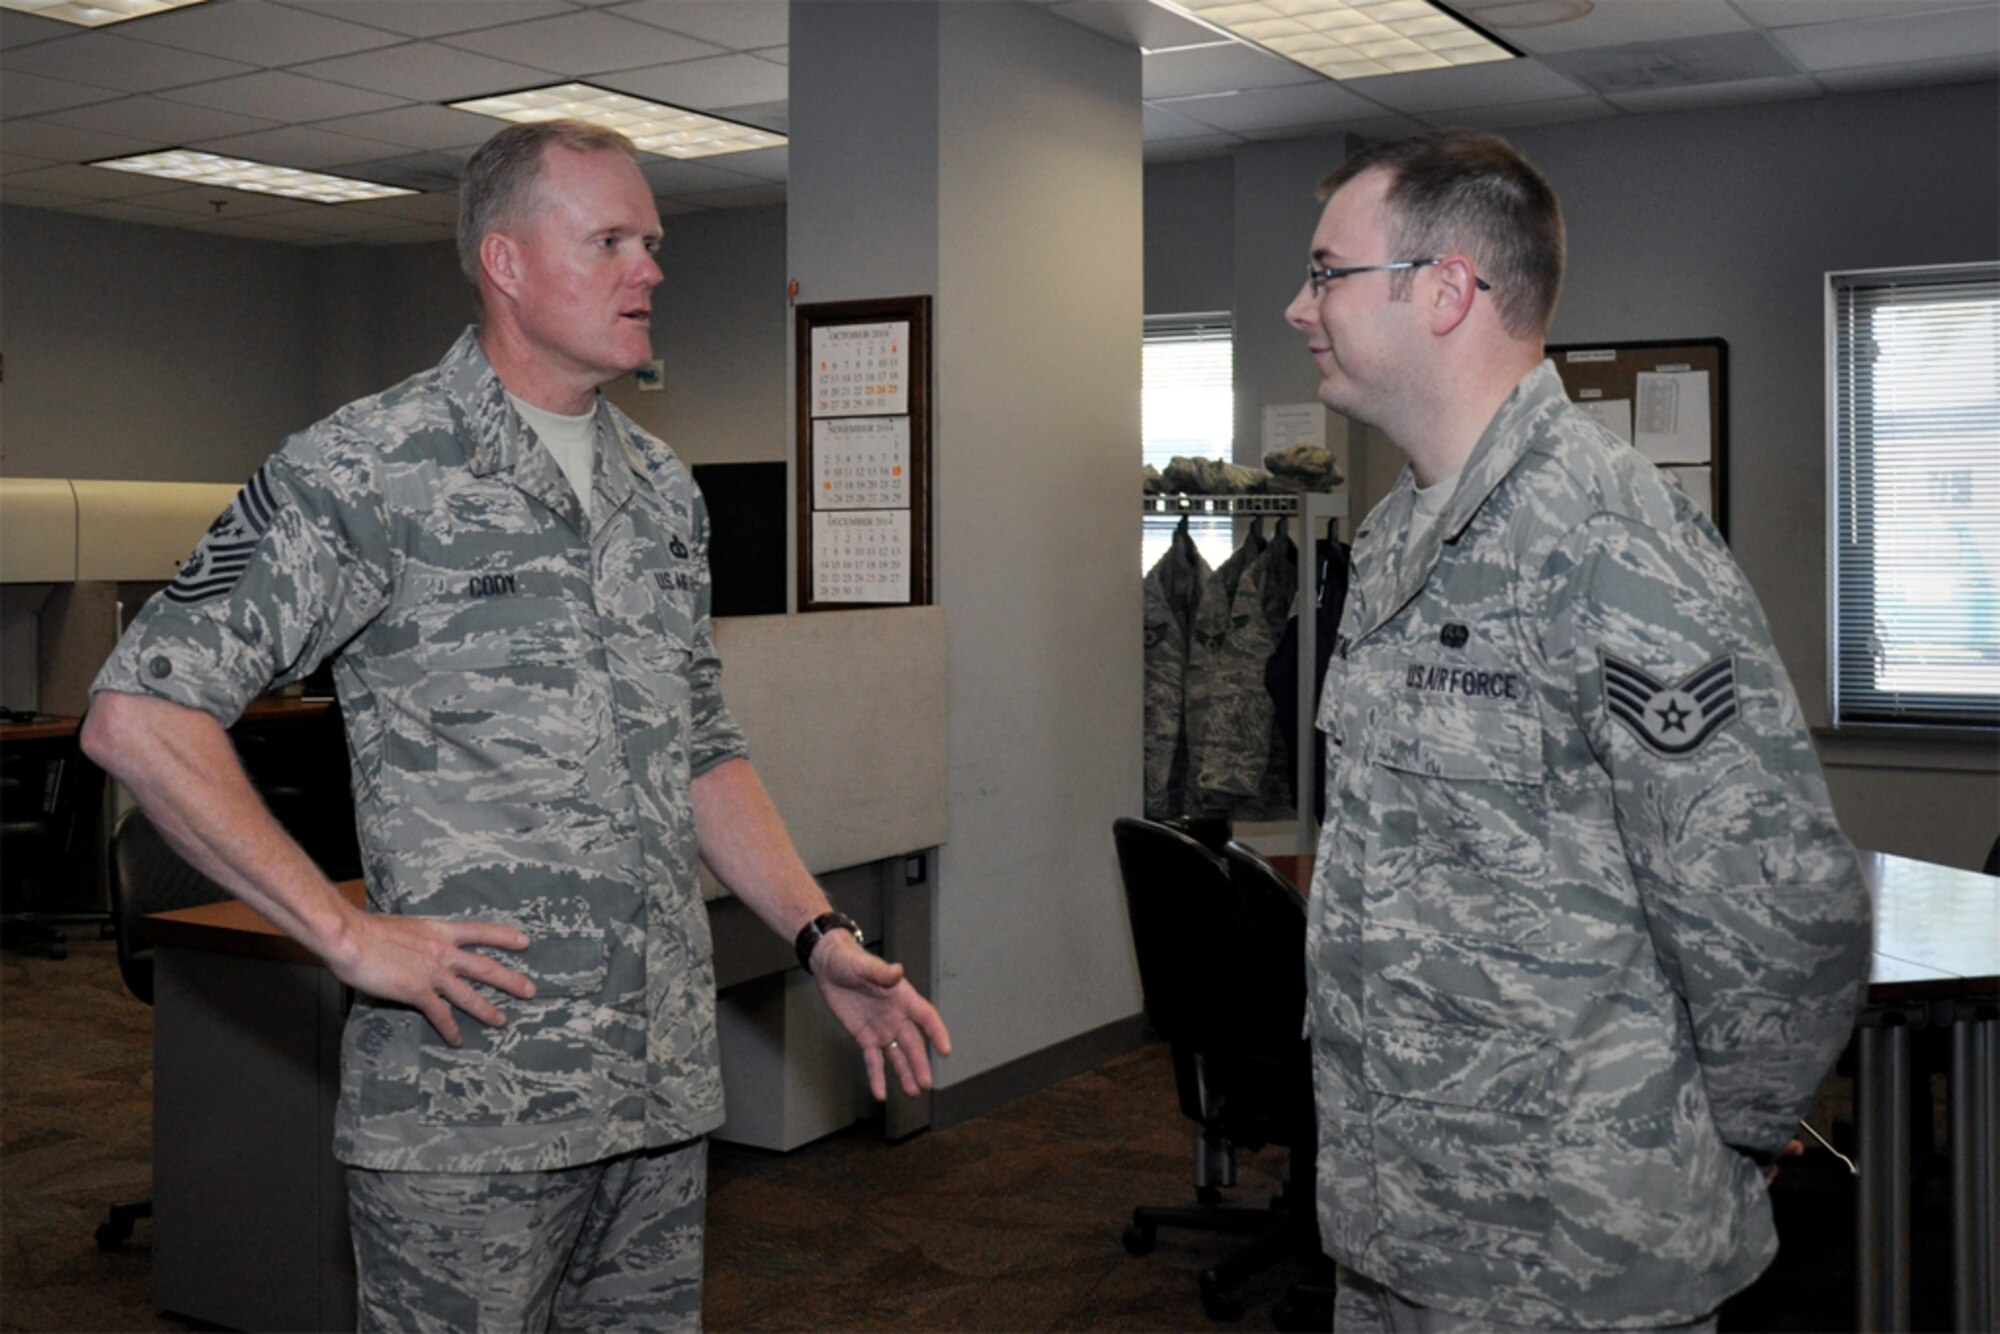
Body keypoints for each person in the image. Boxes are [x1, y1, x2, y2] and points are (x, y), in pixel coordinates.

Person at [81, 119, 949, 1332]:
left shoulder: (662, 491)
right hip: (468, 1101)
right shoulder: (369, 467)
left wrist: (816, 935)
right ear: (504, 261)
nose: (649, 267)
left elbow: (701, 746)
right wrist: (345, 934)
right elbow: (139, 714)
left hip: (650, 1089)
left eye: (650, 240)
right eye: (608, 240)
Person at [1282, 130, 1871, 1331]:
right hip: (1396, 1223)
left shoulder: (1610, 537)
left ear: (1443, 289)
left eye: (1326, 271)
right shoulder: (1397, 537)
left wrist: (1743, 1128)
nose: (1298, 306)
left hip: (1572, 1248)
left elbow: (1780, 903)